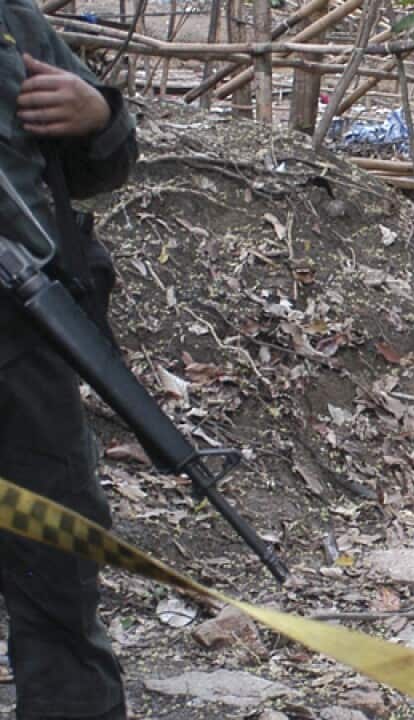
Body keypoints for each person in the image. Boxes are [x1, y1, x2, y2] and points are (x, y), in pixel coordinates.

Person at [0, 0, 137, 717]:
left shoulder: (15, 28)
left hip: (24, 342)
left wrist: (98, 117)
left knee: (57, 569)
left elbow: (101, 164)